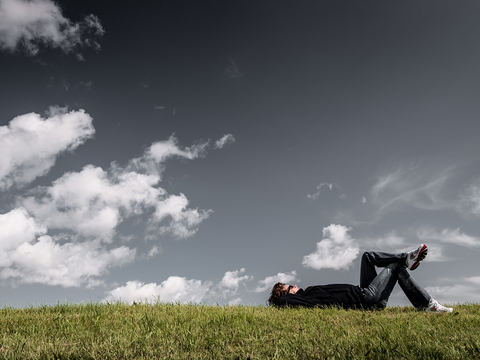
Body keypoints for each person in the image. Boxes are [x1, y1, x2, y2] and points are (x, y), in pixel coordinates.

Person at [268, 244, 453, 313]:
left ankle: (406, 257)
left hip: (362, 290)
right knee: (396, 268)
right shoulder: (297, 300)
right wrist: (279, 296)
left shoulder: (308, 292)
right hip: (366, 299)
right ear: (284, 294)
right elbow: (283, 302)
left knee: (367, 256)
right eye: (288, 287)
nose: (293, 285)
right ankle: (429, 305)